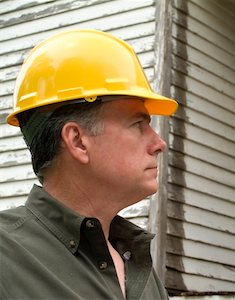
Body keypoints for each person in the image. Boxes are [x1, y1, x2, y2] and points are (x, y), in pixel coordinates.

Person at [0, 29, 178, 299]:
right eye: (138, 124)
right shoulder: (6, 255)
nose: (159, 143)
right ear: (78, 141)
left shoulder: (139, 267)